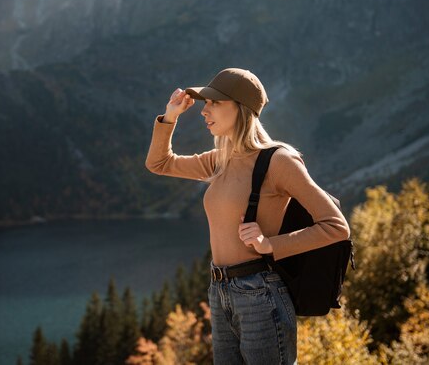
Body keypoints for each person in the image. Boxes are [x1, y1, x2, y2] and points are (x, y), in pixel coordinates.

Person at [145, 68, 351, 365]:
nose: (204, 110)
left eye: (214, 103)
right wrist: (170, 116)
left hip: (260, 293)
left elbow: (336, 227)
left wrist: (271, 245)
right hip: (219, 292)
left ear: (240, 108)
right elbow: (159, 163)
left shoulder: (278, 160)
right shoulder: (221, 159)